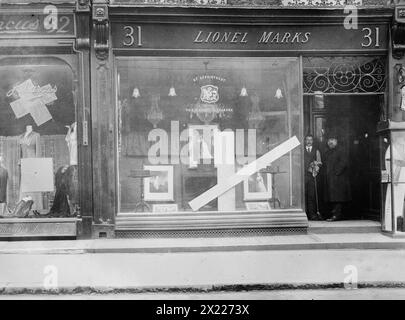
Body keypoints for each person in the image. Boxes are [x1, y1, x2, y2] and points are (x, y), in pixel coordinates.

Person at [323, 134, 351, 221]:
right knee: (332, 198)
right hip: (330, 179)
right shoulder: (327, 152)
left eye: (332, 139)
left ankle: (336, 215)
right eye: (329, 140)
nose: (330, 142)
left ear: (336, 141)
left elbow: (343, 162)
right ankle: (333, 215)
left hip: (338, 179)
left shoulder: (341, 150)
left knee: (337, 198)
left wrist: (336, 173)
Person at [304, 134, 322, 220]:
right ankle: (304, 214)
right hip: (302, 176)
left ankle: (312, 215)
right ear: (305, 141)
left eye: (310, 140)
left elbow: (319, 162)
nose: (309, 141)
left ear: (313, 141)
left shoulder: (316, 151)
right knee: (303, 195)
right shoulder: (301, 150)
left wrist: (315, 165)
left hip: (312, 176)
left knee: (311, 195)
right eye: (307, 139)